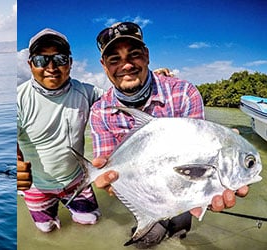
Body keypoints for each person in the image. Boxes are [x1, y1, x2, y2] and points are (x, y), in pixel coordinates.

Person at [90, 22, 249, 248]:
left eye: (134, 55)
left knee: (181, 229)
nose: (125, 65)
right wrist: (105, 178)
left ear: (146, 55)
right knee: (147, 240)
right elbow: (108, 168)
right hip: (144, 192)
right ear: (104, 66)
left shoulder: (184, 92)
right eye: (114, 59)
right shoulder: (100, 111)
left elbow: (199, 154)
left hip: (185, 190)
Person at [17, 28, 105, 233]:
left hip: (77, 180)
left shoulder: (86, 92)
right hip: (37, 187)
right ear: (30, 64)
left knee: (91, 222)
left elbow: (121, 99)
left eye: (59, 58)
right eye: (41, 60)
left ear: (70, 63)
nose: (51, 67)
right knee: (46, 230)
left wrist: (155, 79)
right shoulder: (18, 100)